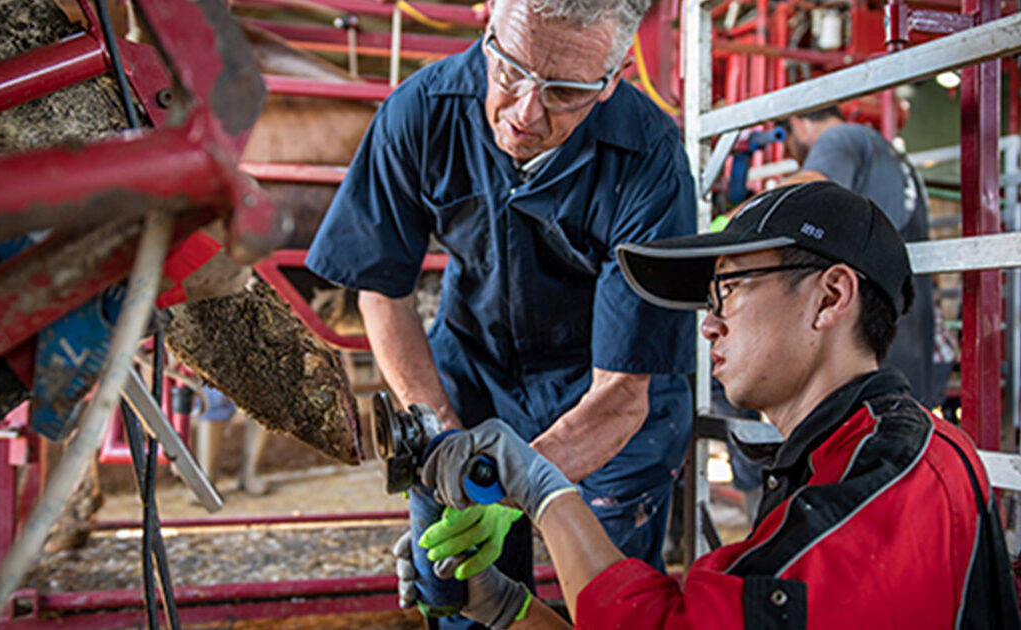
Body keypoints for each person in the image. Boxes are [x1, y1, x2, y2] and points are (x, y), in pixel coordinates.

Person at [406, 182, 1020, 628]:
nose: (710, 326)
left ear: (831, 296)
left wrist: (546, 494)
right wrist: (506, 609)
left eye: (729, 288)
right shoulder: (846, 462)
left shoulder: (883, 484)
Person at [306, 0, 697, 615]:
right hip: (471, 371)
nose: (524, 113)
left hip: (608, 391)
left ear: (613, 77)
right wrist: (439, 435)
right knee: (460, 590)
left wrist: (515, 488)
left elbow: (622, 393)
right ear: (488, 27)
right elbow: (381, 287)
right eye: (511, 69)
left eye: (565, 91)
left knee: (614, 604)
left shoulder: (651, 158)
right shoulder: (420, 111)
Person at [779, 106, 946, 407]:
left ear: (798, 123)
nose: (794, 155)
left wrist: (733, 221)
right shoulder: (889, 154)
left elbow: (808, 187)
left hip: (873, 335)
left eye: (789, 145)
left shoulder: (838, 137)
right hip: (909, 331)